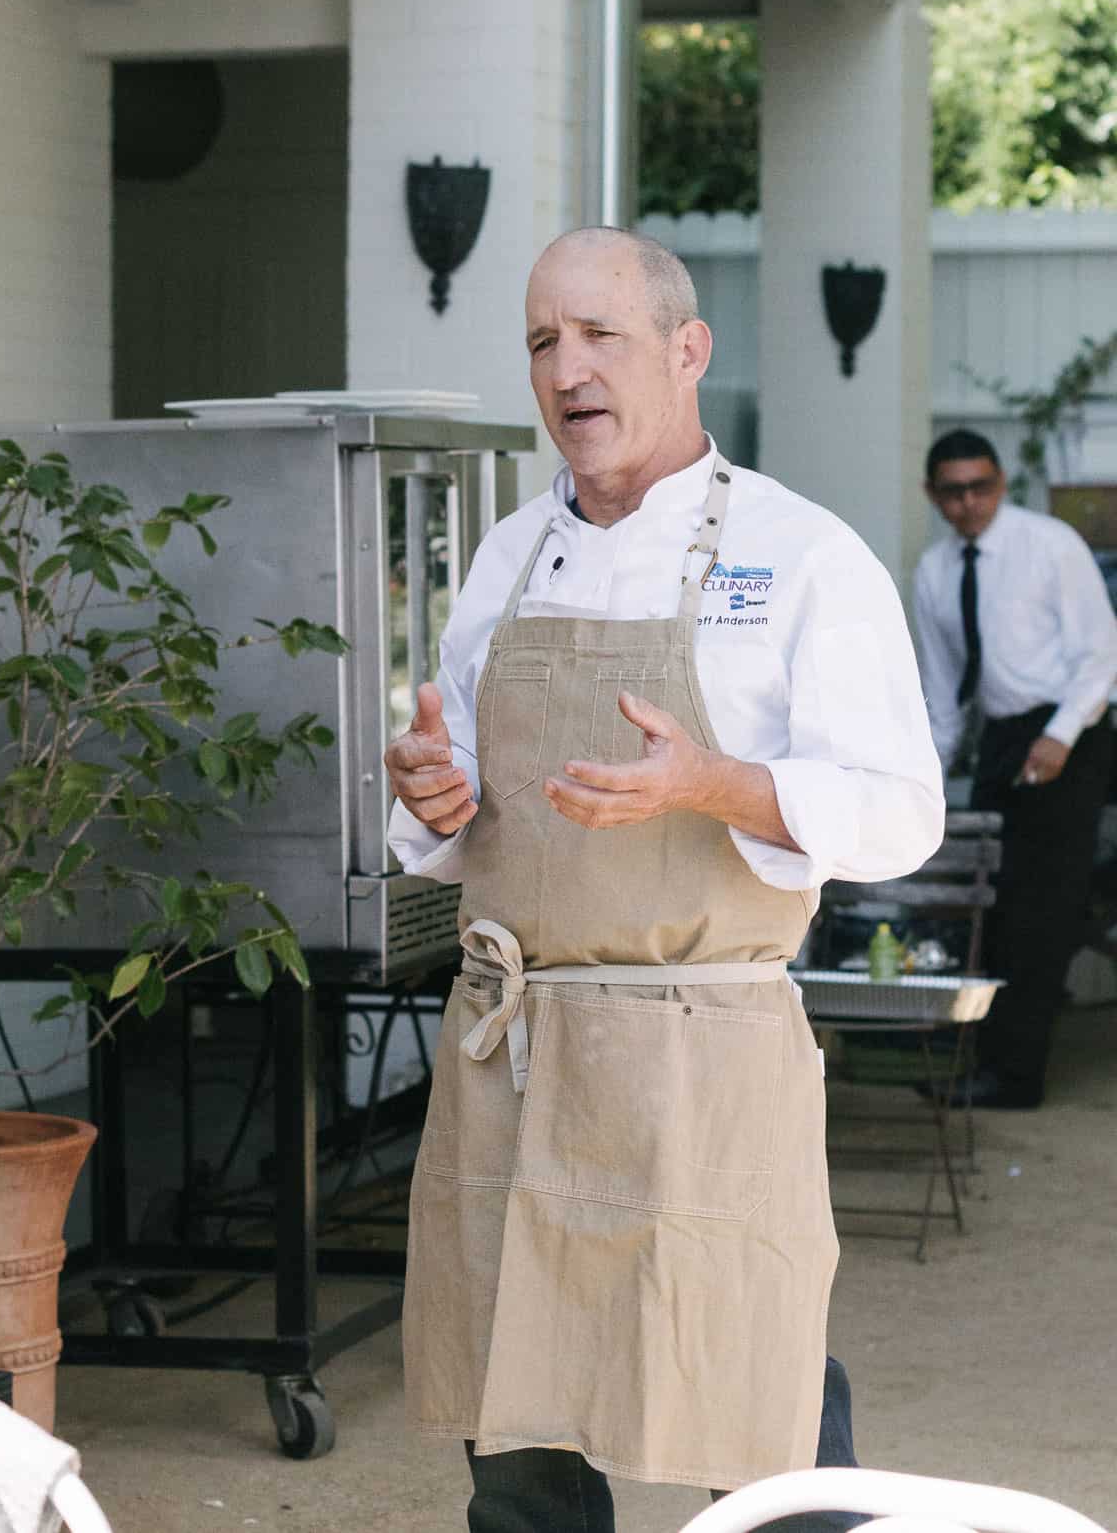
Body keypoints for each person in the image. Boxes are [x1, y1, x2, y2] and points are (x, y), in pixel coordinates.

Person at [384, 227, 945, 1533]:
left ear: (686, 351)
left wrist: (714, 783)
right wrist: (431, 795)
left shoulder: (803, 556)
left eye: (600, 336)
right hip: (515, 1047)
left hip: (707, 1049)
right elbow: (460, 797)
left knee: (757, 1400)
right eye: (541, 341)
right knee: (515, 1410)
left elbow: (902, 812)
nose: (566, 369)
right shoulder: (510, 556)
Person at [914, 428, 1117, 1110]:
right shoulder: (936, 571)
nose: (969, 503)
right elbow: (943, 697)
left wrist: (1060, 735)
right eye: (954, 491)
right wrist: (925, 783)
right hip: (1002, 735)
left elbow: (1103, 653)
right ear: (933, 494)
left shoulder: (1049, 545)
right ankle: (982, 1057)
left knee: (1041, 912)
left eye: (982, 487)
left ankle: (1017, 1077)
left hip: (1072, 729)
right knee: (988, 904)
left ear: (1001, 483)